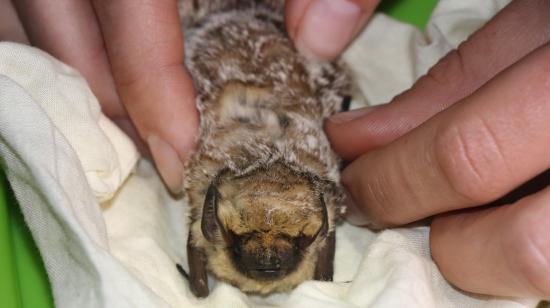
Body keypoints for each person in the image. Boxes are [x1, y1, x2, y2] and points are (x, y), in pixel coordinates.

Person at [1, 0, 549, 300]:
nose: (268, 253)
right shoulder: (238, 211)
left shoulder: (241, 215)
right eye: (270, 240)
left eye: (279, 239)